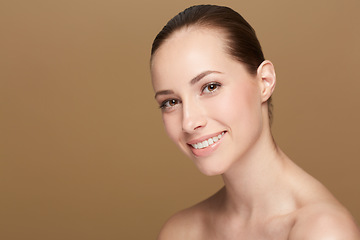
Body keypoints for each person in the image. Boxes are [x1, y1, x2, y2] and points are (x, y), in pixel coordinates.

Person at [150, 4, 360, 239]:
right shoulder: (181, 231)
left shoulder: (322, 231)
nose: (188, 122)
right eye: (170, 102)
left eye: (210, 87)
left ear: (264, 81)